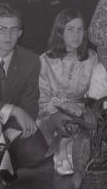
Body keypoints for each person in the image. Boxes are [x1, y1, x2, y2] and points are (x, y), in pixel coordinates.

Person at [0, 4, 48, 185]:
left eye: (14, 29)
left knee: (37, 152)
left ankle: (0, 158)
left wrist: (9, 135)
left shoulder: (31, 60)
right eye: (1, 29)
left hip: (11, 127)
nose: (8, 35)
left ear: (20, 33)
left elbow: (30, 104)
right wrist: (13, 109)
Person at [37, 9, 98, 176]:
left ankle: (72, 147)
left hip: (81, 113)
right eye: (70, 29)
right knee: (65, 119)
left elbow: (93, 95)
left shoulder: (91, 58)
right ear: (60, 32)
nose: (76, 35)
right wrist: (66, 106)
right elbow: (42, 101)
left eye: (80, 29)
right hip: (52, 113)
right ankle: (61, 148)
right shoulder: (45, 60)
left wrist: (81, 108)